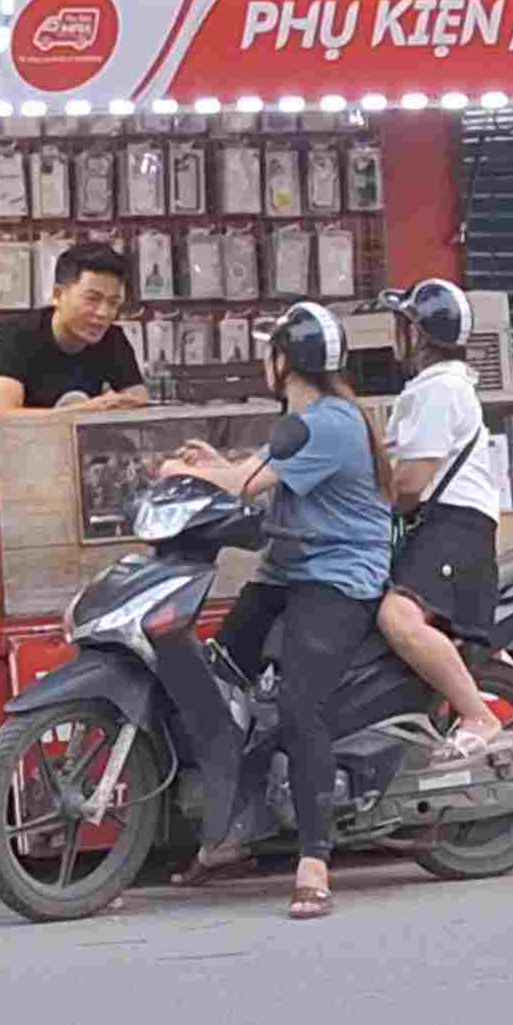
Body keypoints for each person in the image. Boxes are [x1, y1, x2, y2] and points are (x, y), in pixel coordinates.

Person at [160, 302, 391, 921]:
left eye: (271, 351)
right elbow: (251, 472)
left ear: (284, 360)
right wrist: (209, 465)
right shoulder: (301, 418)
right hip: (288, 569)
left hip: (339, 575)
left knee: (298, 702)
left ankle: (314, 860)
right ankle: (233, 830)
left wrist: (186, 471)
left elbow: (246, 485)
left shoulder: (332, 424)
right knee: (218, 683)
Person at [377, 278, 513, 765]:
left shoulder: (440, 391)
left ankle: (478, 714)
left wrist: (373, 507)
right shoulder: (434, 388)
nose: (395, 336)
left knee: (396, 616)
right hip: (445, 526)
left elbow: (411, 481)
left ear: (419, 336)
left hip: (453, 529)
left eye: (402, 325)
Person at [0, 241, 150, 414]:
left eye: (113, 303)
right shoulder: (17, 336)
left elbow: (140, 405)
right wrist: (84, 412)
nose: (104, 313)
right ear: (57, 295)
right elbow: (3, 415)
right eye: (92, 299)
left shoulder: (113, 339)